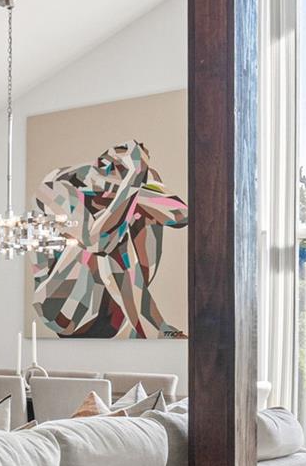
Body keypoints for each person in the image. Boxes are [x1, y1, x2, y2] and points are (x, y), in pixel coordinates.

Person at [32, 139, 189, 339]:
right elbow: (97, 242)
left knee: (134, 216)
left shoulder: (131, 185)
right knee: (109, 238)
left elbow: (180, 215)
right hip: (63, 311)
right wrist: (132, 181)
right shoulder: (56, 185)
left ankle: (147, 323)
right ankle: (154, 326)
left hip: (115, 312)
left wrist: (137, 184)